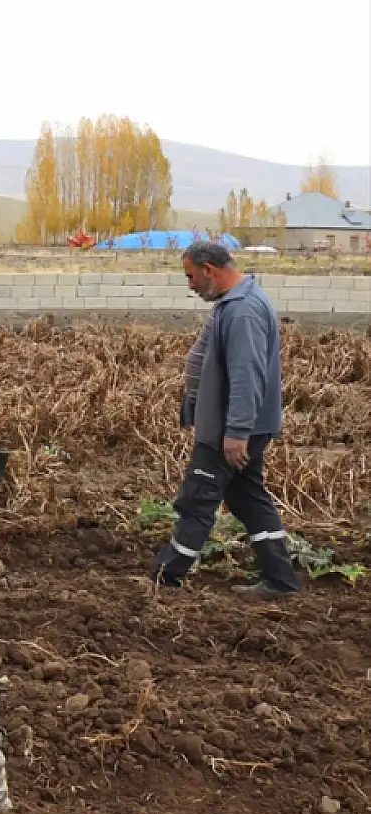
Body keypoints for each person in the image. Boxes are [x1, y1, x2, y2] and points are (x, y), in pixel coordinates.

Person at [150, 241, 301, 599]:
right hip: (236, 426)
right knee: (247, 497)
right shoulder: (235, 303)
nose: (189, 285)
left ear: (209, 269)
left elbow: (246, 376)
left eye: (190, 276)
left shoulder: (243, 311)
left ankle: (165, 578)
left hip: (228, 431)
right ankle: (280, 580)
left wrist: (236, 432)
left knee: (198, 497)